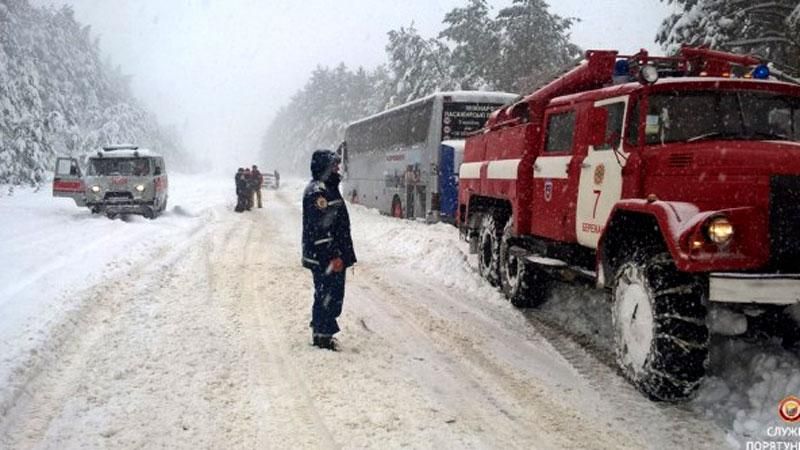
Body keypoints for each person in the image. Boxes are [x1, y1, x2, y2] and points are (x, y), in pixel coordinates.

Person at [302, 149, 357, 350]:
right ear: (324, 167)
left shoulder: (328, 187)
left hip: (329, 255)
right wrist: (334, 255)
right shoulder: (318, 191)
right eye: (334, 165)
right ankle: (323, 336)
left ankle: (322, 330)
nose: (337, 168)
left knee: (329, 295)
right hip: (324, 257)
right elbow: (320, 228)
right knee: (327, 296)